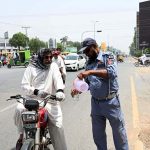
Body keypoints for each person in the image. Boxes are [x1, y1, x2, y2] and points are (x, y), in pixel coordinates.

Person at [71, 38, 129, 150]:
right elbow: (88, 83)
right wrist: (78, 88)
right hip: (96, 104)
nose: (86, 54)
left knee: (119, 134)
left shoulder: (108, 56)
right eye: (84, 52)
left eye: (87, 50)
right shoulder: (89, 62)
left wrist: (90, 72)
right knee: (98, 136)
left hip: (111, 103)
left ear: (94, 46)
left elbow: (111, 73)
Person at [14, 48, 67, 150]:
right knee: (19, 109)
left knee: (58, 125)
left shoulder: (53, 66)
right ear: (40, 57)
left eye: (50, 57)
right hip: (31, 99)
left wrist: (60, 91)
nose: (49, 59)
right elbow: (24, 85)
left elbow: (58, 80)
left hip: (49, 101)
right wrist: (36, 91)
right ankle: (21, 137)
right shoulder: (31, 67)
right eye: (46, 57)